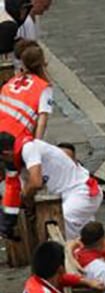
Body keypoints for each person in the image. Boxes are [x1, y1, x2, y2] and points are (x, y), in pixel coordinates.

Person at [0, 132, 104, 241]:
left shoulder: (29, 148)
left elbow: (35, 183)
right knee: (88, 239)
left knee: (61, 232)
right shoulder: (20, 162)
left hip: (82, 192)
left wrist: (24, 196)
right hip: (70, 197)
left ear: (6, 154)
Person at [0, 41, 54, 235]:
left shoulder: (12, 82)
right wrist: (36, 145)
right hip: (14, 138)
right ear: (42, 63)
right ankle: (7, 224)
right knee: (13, 178)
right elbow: (41, 121)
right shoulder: (43, 87)